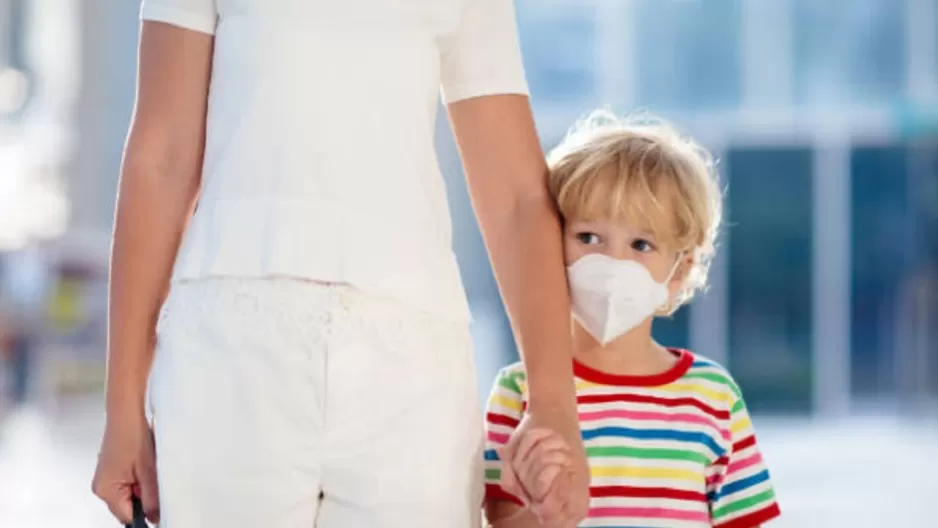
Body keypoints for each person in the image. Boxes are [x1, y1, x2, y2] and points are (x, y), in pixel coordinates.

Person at [91, 0, 590, 527]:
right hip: (229, 361)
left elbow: (516, 196)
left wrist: (554, 405)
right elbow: (161, 158)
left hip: (411, 365)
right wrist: (122, 408)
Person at [484, 111, 782, 527]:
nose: (611, 261)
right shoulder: (520, 390)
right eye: (588, 237)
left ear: (678, 270)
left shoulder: (712, 396)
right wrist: (542, 516)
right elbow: (497, 520)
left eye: (641, 244)